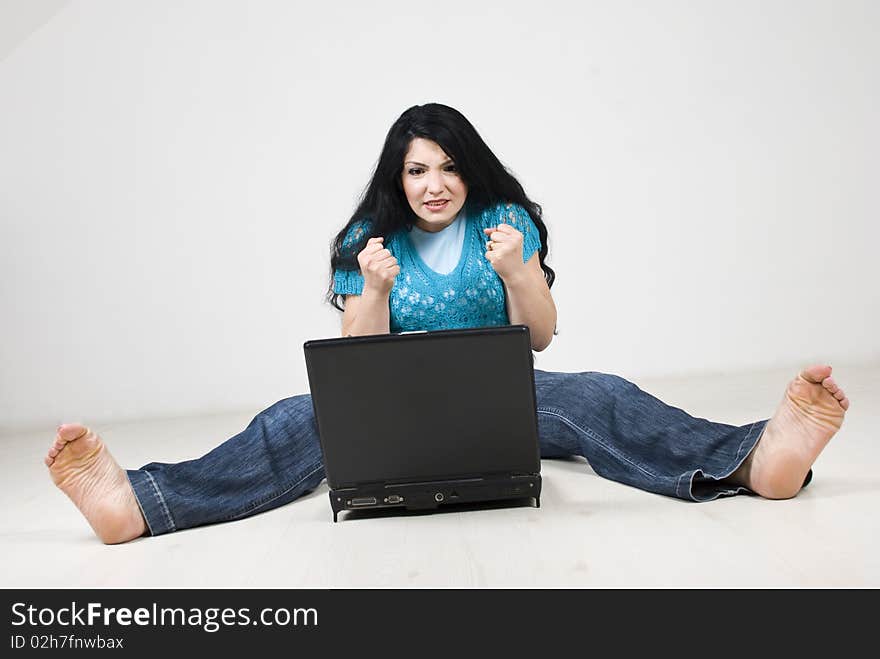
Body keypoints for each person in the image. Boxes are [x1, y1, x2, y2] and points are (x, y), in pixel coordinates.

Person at [46, 103, 850, 544]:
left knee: (597, 395)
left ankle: (754, 461)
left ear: (472, 166)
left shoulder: (505, 222)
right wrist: (370, 295)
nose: (436, 184)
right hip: (393, 413)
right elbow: (357, 364)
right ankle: (139, 504)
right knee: (288, 423)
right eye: (418, 170)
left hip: (501, 397)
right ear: (398, 178)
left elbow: (539, 338)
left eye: (450, 165)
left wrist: (519, 273)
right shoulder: (369, 243)